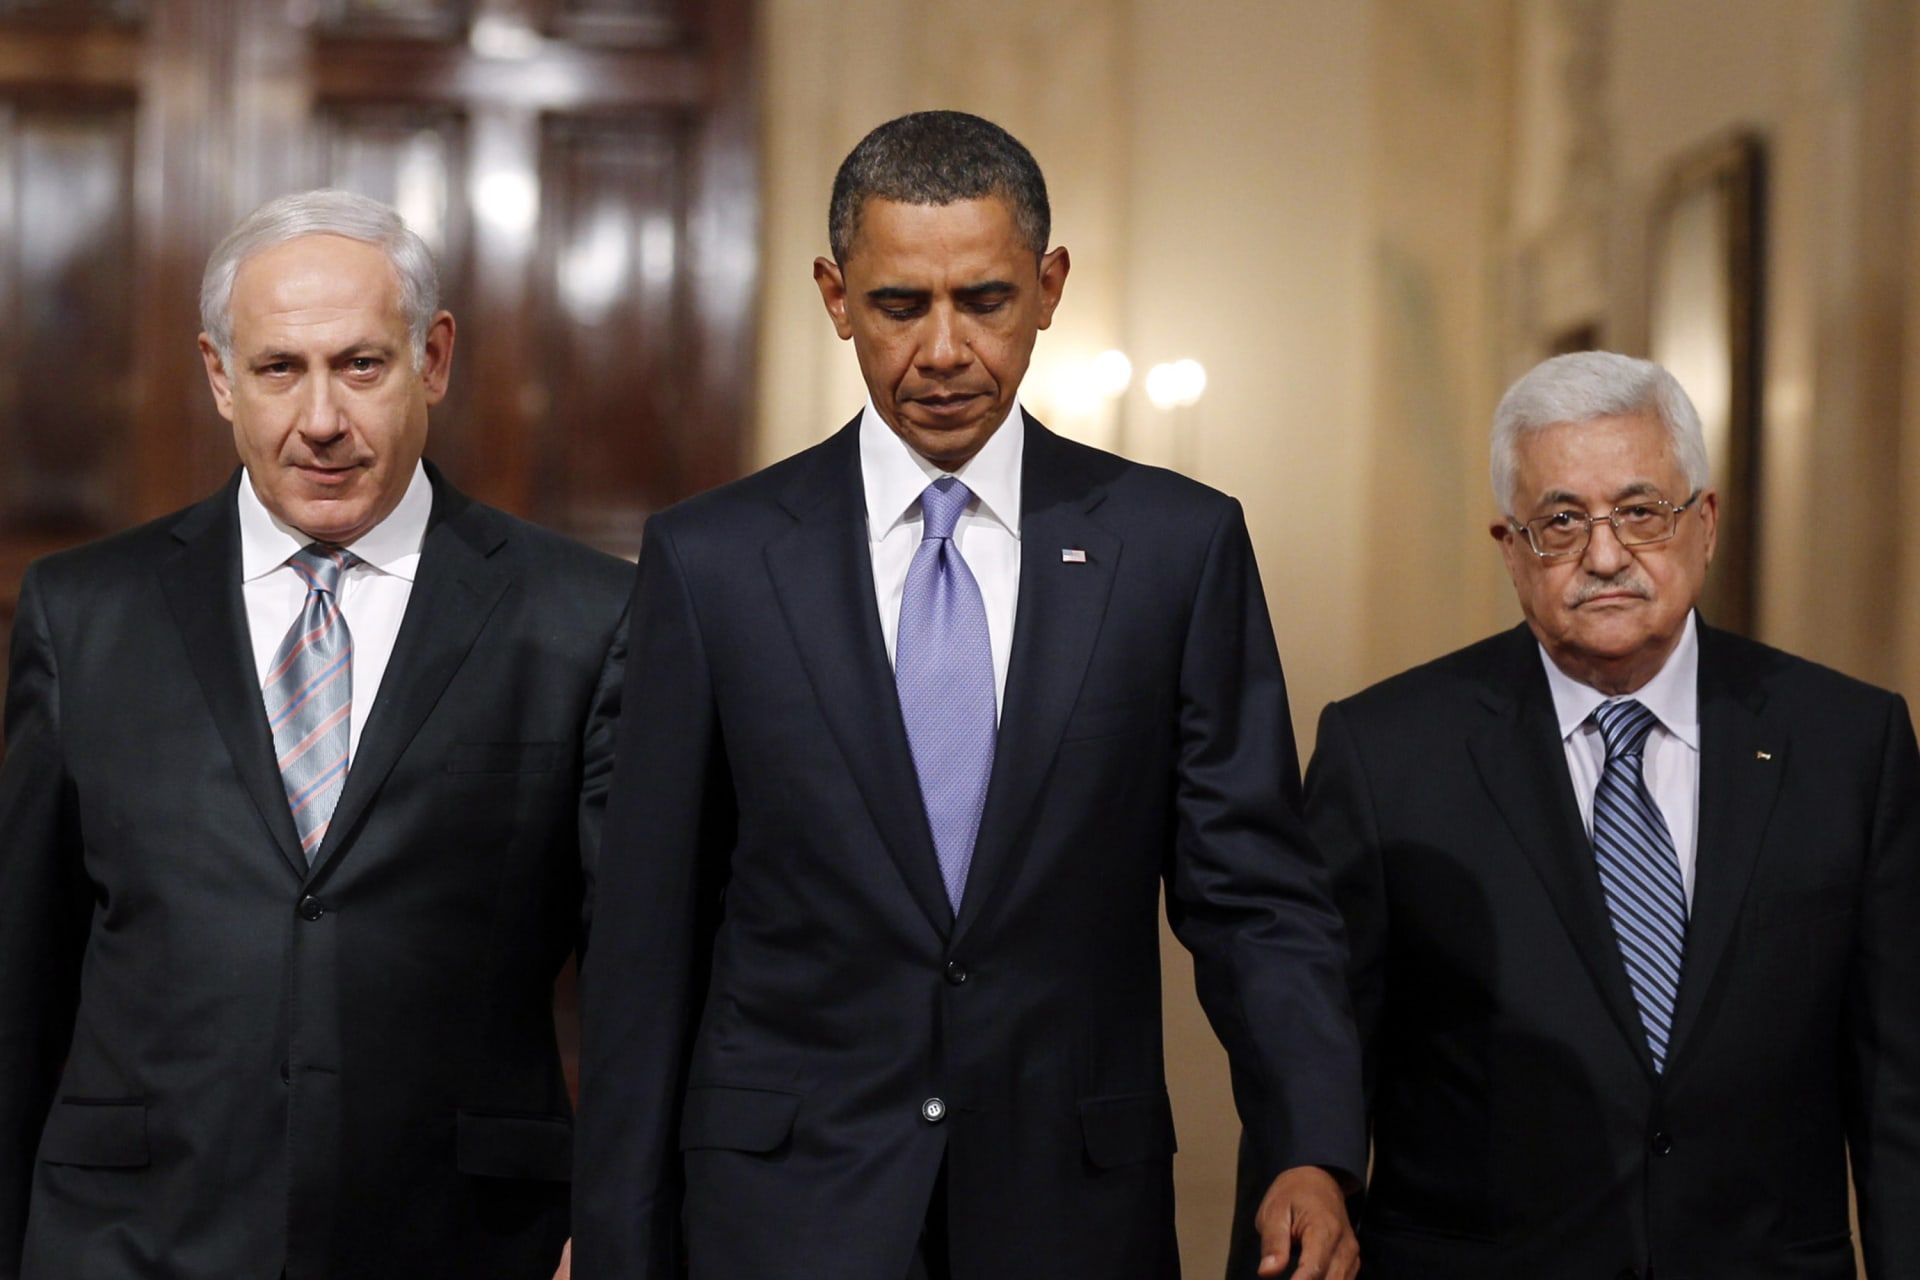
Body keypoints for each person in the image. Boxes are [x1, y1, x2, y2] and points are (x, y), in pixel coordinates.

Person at [573, 110, 1364, 1280]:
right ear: (836, 297)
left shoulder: (1173, 547)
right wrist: (619, 1238)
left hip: (1068, 1209)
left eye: (985, 300)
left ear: (1048, 288)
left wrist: (1311, 1142)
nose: (944, 349)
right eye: (901, 305)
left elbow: (1253, 894)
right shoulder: (713, 561)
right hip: (783, 1212)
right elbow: (649, 939)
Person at [0, 189, 630, 1280]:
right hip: (131, 1240)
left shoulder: (581, 618)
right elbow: (22, 978)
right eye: (279, 368)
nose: (322, 417)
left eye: (361, 365)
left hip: (468, 1243)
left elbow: (642, 974)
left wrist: (619, 1228)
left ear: (434, 359)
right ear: (219, 377)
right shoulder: (82, 615)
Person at [1235, 350, 1920, 1277]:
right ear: (1510, 548)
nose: (1605, 556)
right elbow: (1318, 1050)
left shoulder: (1849, 744)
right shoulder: (1387, 754)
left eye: (1641, 512)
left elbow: (1899, 1085)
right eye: (1561, 522)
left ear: (1705, 523)